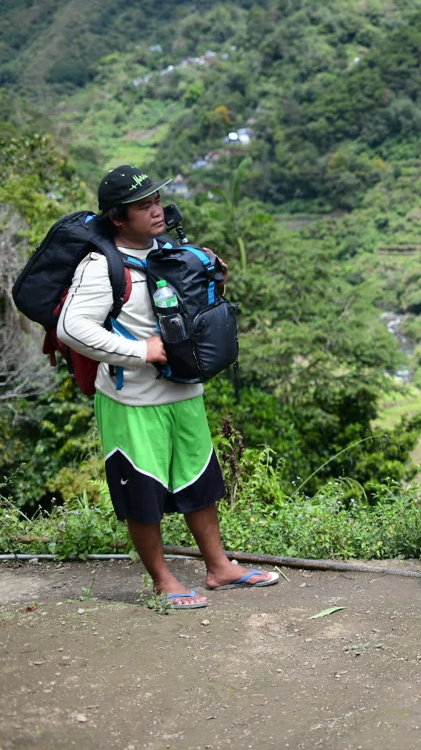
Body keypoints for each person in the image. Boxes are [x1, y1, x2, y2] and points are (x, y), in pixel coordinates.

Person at [58, 165, 279, 609]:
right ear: (118, 218)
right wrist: (142, 351)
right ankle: (163, 581)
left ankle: (219, 568)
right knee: (143, 492)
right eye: (144, 206)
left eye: (157, 201)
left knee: (200, 482)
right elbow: (70, 328)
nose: (156, 210)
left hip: (184, 391)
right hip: (133, 400)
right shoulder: (102, 266)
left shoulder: (171, 250)